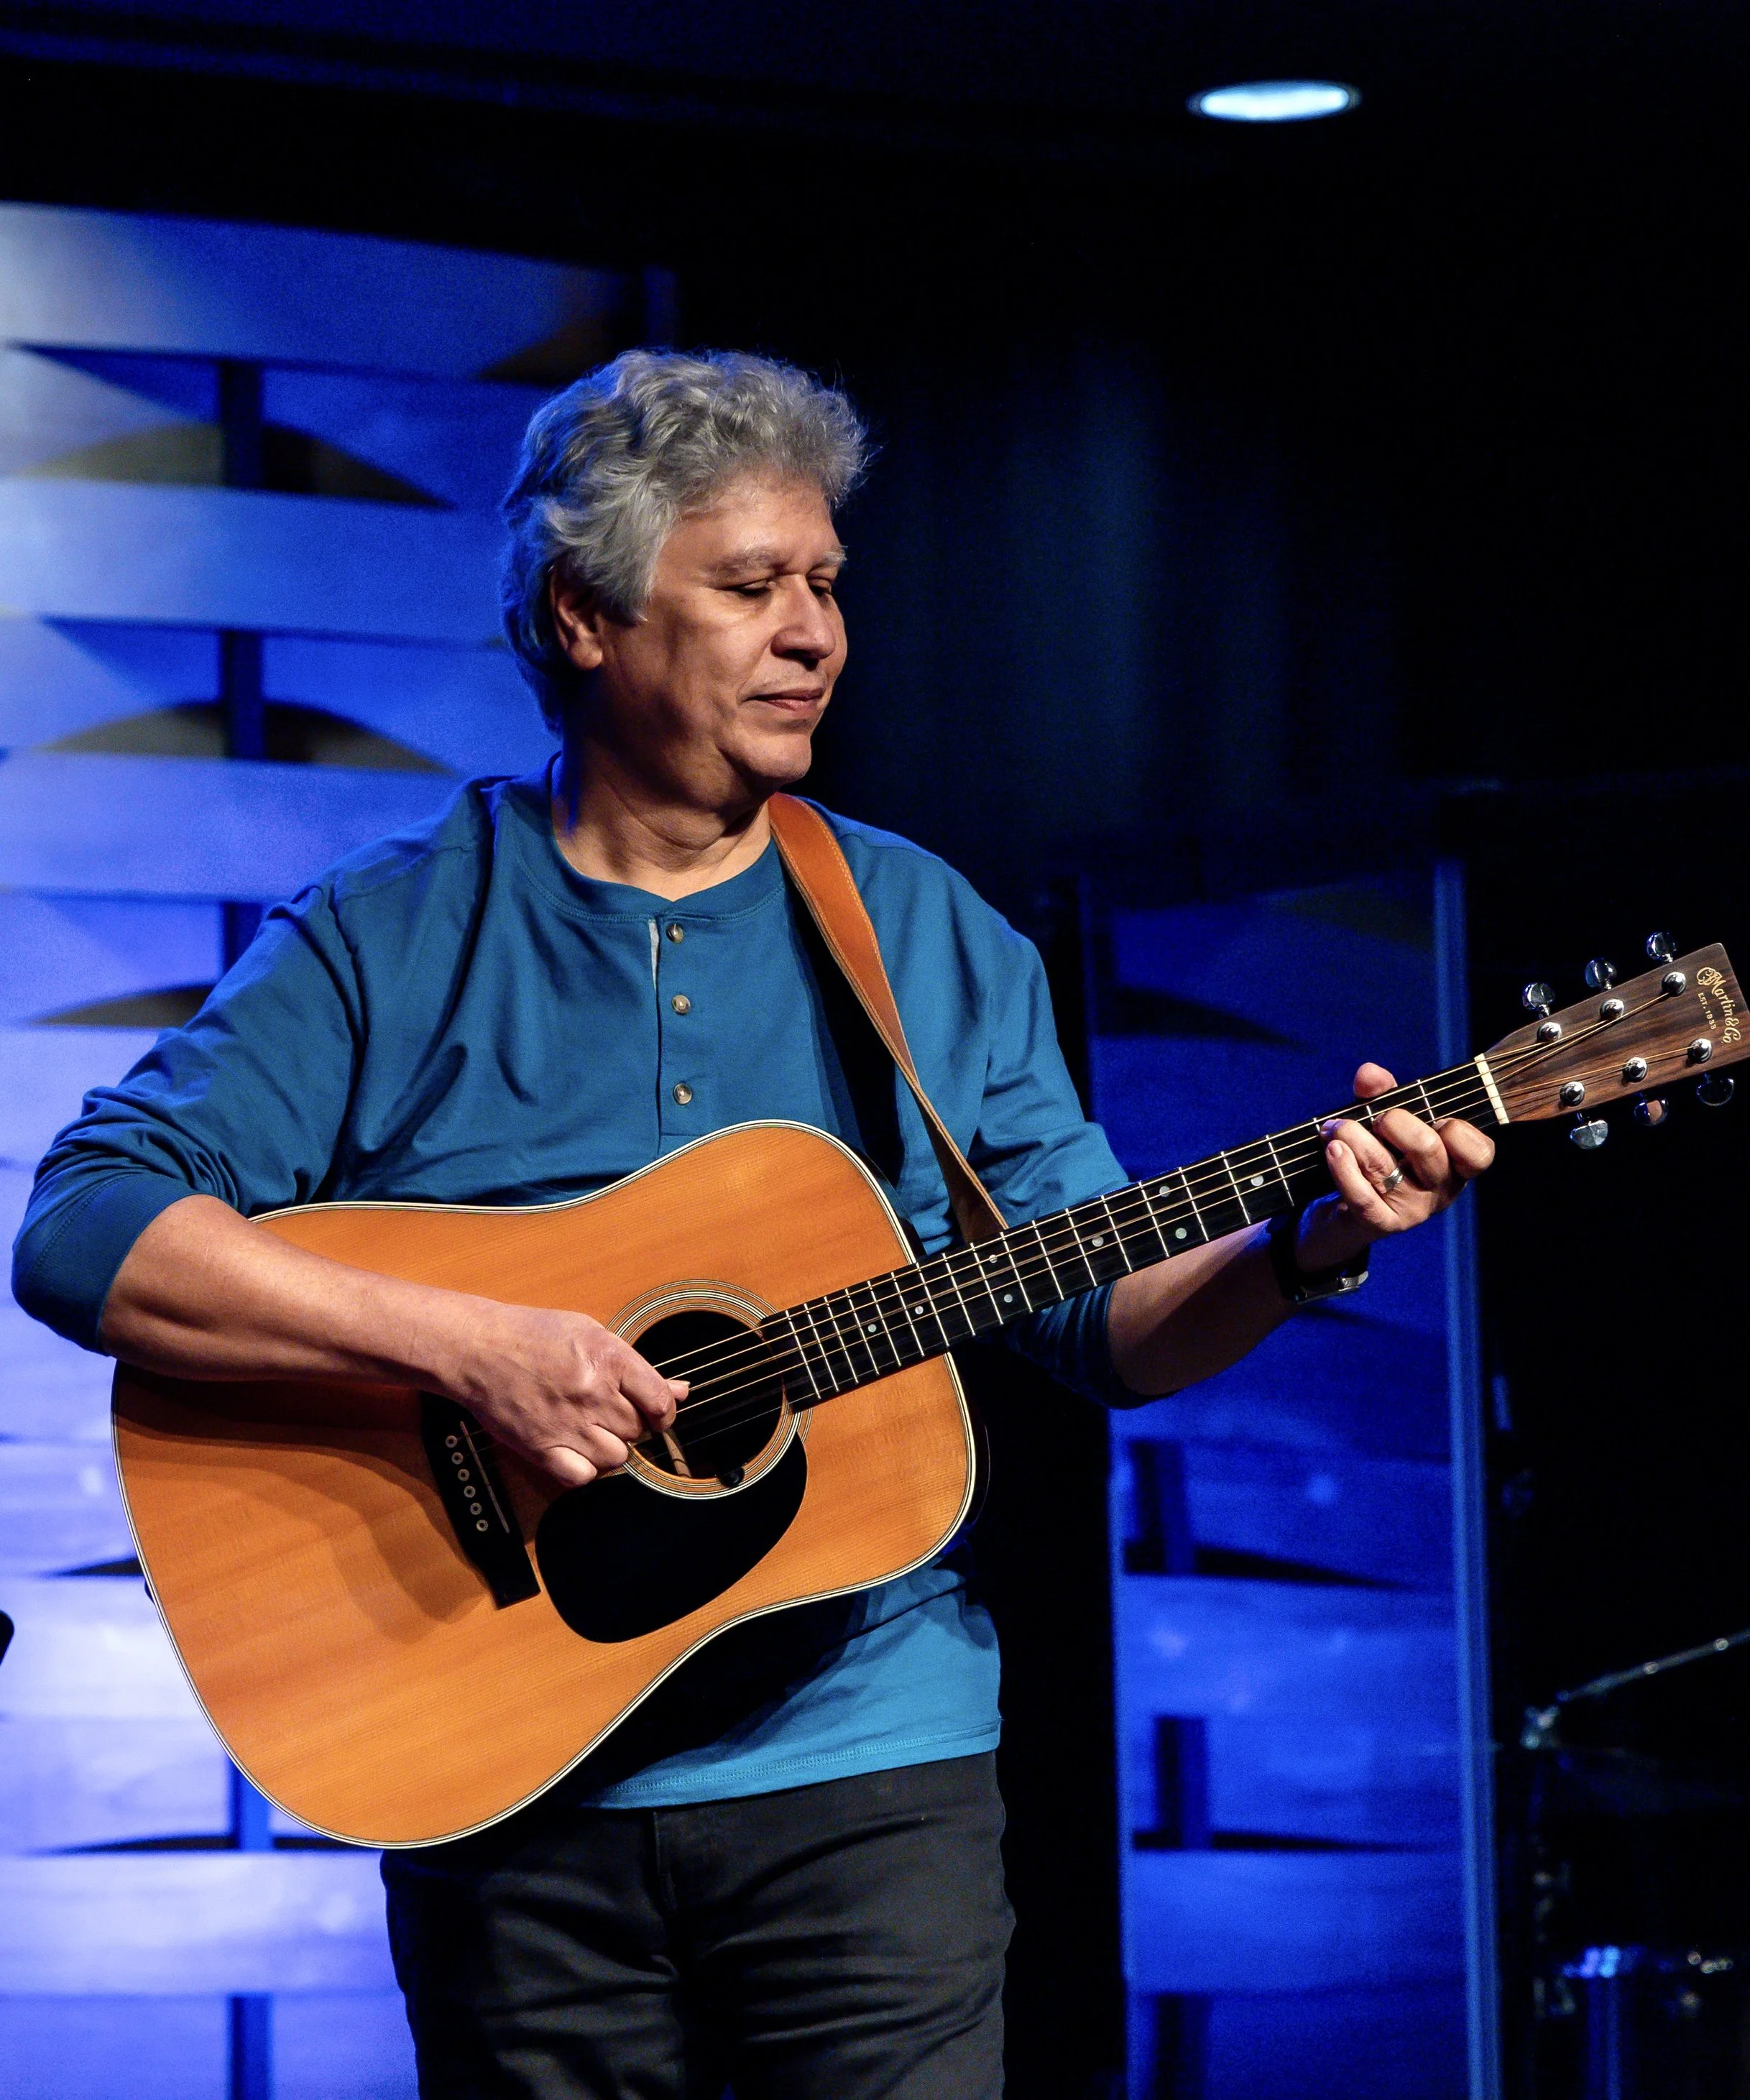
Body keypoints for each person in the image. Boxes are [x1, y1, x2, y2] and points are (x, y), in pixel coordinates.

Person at [11, 350, 1494, 2099]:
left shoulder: (918, 932)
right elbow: (87, 1227)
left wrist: (1297, 1243)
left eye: (825, 585)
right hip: (506, 1775)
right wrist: (475, 1350)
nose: (813, 634)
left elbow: (1096, 1319)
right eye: (747, 587)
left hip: (871, 1776)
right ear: (584, 616)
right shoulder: (385, 935)